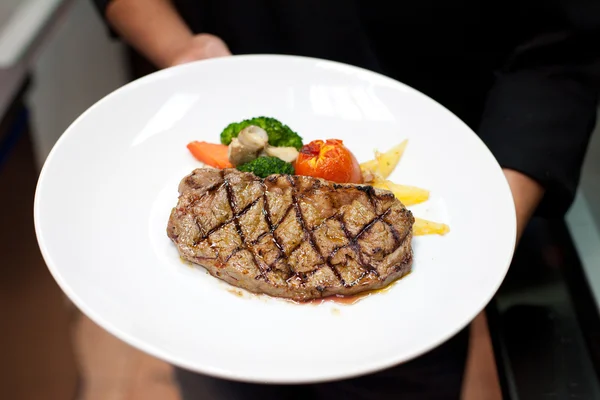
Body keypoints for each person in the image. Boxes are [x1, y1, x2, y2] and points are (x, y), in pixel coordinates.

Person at [92, 0, 600, 398]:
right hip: (207, 327)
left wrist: (486, 224)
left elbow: (562, 49)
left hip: (412, 323)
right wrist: (183, 50)